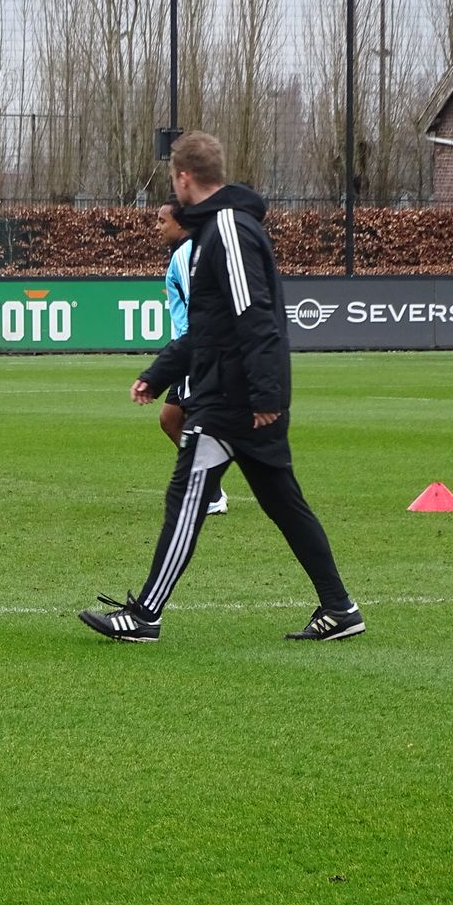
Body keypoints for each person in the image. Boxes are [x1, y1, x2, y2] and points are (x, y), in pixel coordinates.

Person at [78, 131, 363, 643]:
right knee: (284, 504)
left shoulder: (228, 229)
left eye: (173, 180)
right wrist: (159, 373)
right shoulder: (215, 231)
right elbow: (209, 326)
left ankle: (145, 614)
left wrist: (265, 395)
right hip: (236, 392)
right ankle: (340, 609)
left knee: (185, 497)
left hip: (232, 400)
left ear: (183, 178)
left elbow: (254, 317)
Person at [156, 199, 226, 516]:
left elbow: (196, 305)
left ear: (180, 224)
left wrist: (188, 349)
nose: (157, 227)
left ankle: (209, 492)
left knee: (197, 422)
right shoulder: (183, 254)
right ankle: (210, 487)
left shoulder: (186, 254)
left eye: (162, 221)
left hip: (192, 349)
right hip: (189, 349)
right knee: (171, 420)